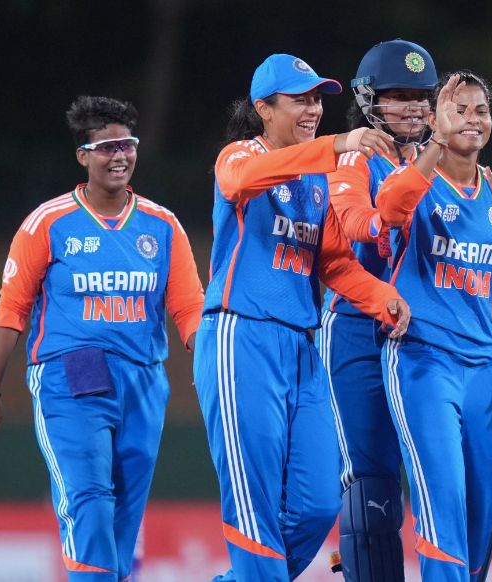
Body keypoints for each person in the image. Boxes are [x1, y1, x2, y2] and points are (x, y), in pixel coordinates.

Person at [194, 54, 412, 582]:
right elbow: (239, 181)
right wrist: (335, 146)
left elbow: (334, 262)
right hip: (240, 337)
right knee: (255, 505)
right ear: (263, 109)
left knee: (317, 503)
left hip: (302, 348)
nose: (314, 109)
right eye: (300, 99)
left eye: (317, 98)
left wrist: (382, 296)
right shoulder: (241, 155)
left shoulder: (317, 182)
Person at [0, 96, 206, 581]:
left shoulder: (162, 226)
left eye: (128, 145)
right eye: (106, 147)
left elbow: (188, 308)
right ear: (83, 155)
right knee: (91, 502)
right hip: (73, 369)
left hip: (144, 378)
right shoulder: (48, 222)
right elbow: (12, 308)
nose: (120, 156)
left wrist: (210, 367)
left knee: (124, 517)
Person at [374, 71, 492, 582]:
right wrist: (433, 144)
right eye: (458, 108)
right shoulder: (414, 174)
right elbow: (388, 210)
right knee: (441, 492)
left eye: (480, 109)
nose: (472, 118)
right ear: (438, 117)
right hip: (423, 359)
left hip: (484, 368)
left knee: (484, 504)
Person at [315, 39, 437, 582]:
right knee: (371, 495)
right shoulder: (354, 158)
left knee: (472, 484)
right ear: (368, 101)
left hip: (430, 336)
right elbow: (359, 225)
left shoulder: (451, 162)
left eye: (421, 96)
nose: (412, 107)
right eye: (397, 96)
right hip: (359, 332)